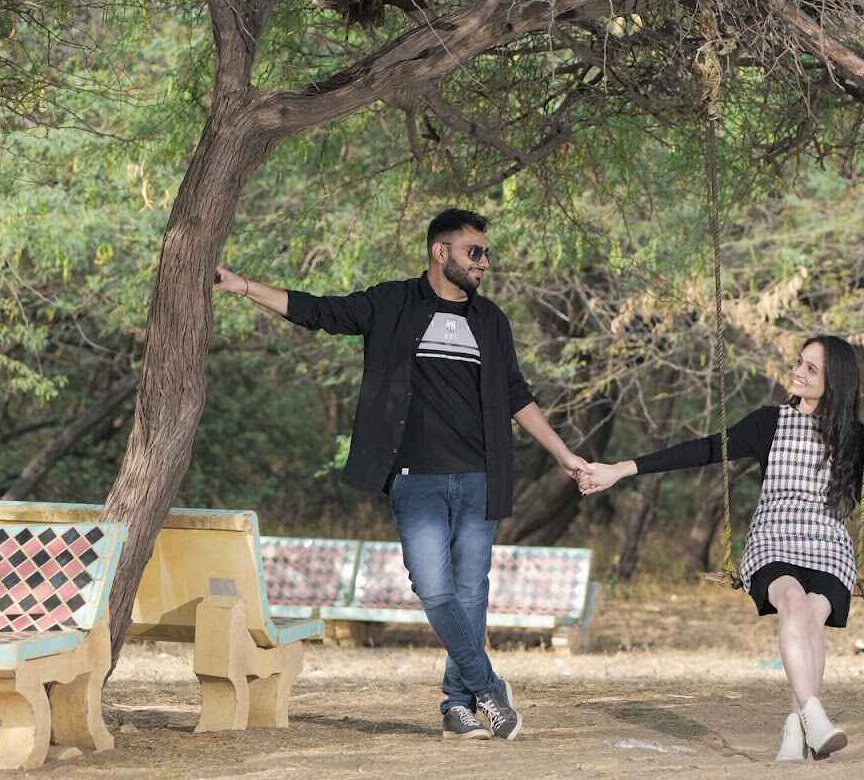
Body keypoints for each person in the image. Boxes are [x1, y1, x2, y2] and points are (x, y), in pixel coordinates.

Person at [215, 208, 589, 741]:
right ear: (442, 253)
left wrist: (563, 455)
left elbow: (518, 398)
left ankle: (457, 708)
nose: (484, 262)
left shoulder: (491, 321)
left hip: (481, 478)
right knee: (433, 588)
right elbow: (319, 311)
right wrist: (243, 286)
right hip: (415, 479)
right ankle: (488, 688)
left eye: (485, 253)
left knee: (471, 594)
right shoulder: (391, 302)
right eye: (474, 252)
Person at [579, 334, 864, 761]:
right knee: (794, 603)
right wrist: (622, 469)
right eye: (799, 362)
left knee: (812, 617)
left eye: (810, 369)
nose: (797, 371)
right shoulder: (769, 422)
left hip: (829, 542)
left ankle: (795, 726)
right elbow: (705, 449)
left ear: (834, 383)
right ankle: (813, 714)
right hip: (774, 536)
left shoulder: (850, 435)